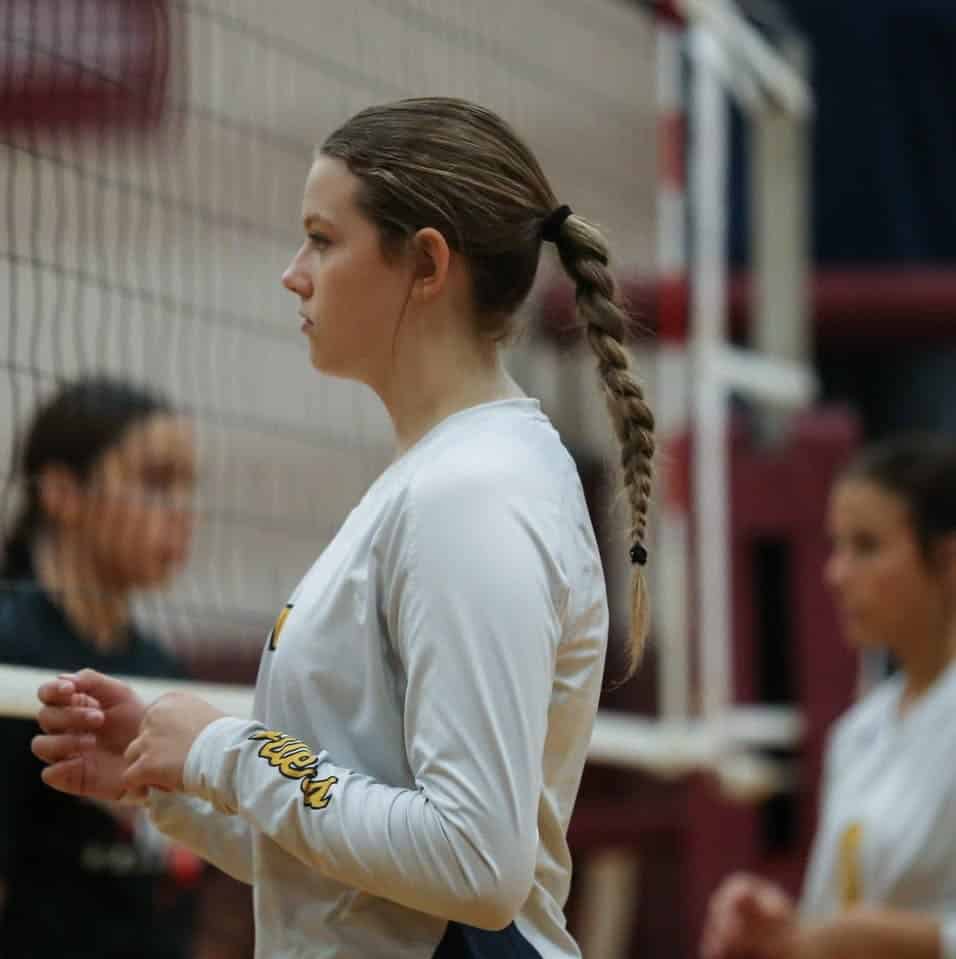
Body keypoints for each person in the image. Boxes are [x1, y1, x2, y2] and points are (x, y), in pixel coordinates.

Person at [31, 97, 656, 957]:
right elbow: (358, 875)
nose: (295, 271)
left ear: (426, 264)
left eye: (324, 239)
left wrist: (224, 751)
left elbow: (474, 860)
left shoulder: (472, 498)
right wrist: (166, 782)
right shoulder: (437, 481)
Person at [701, 435, 956, 959]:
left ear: (948, 561)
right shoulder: (859, 732)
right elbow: (826, 923)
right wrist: (773, 926)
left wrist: (891, 941)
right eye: (836, 546)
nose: (835, 574)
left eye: (866, 546)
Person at [0, 376, 200, 958]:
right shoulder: (11, 651)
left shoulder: (163, 672)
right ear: (61, 493)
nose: (183, 512)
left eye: (189, 487)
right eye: (156, 482)